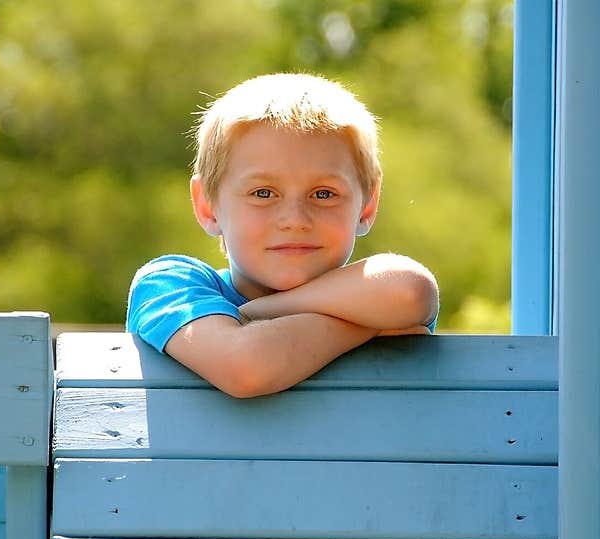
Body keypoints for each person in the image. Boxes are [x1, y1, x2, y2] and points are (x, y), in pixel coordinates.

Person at [126, 72, 439, 398]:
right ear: (207, 205)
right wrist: (369, 325)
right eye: (263, 193)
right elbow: (246, 368)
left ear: (367, 205)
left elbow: (410, 292)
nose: (295, 220)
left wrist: (258, 313)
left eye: (323, 194)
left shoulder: (374, 295)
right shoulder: (170, 283)